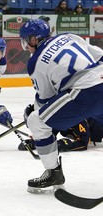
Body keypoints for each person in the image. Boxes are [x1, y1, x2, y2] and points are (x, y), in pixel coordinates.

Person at [19, 19, 103, 194]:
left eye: (26, 40)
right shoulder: (68, 36)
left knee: (37, 121)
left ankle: (53, 173)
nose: (25, 46)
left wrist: (33, 112)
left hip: (86, 93)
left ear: (35, 39)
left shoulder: (35, 62)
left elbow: (46, 99)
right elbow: (99, 55)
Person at [18, 119, 92, 152]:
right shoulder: (61, 116)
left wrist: (65, 144)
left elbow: (84, 143)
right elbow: (52, 132)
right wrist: (37, 141)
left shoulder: (81, 120)